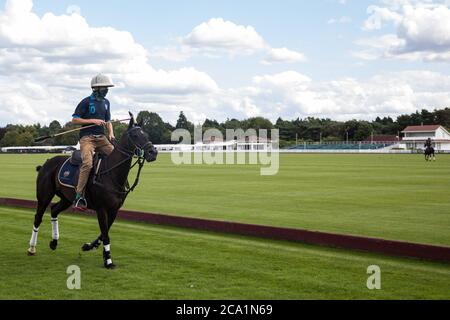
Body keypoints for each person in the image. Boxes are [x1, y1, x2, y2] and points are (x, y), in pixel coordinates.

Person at [72, 74, 116, 210]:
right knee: (87, 163)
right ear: (96, 88)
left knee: (117, 157)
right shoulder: (86, 102)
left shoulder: (106, 102)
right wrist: (92, 121)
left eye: (107, 88)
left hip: (101, 138)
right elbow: (74, 119)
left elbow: (108, 121)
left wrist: (111, 132)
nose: (107, 90)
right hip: (87, 138)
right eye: (104, 87)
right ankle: (79, 196)